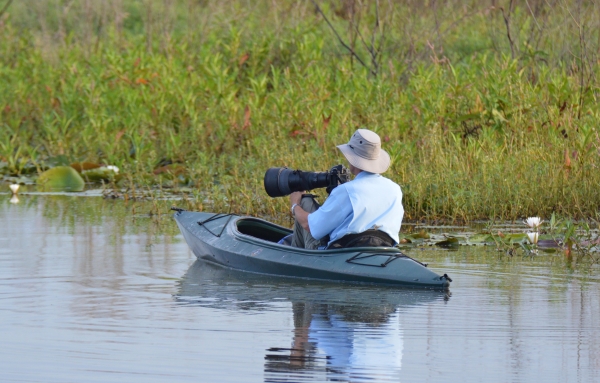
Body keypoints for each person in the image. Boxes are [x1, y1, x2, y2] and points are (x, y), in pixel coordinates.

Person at [289, 128, 404, 249]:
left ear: (353, 159)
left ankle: (292, 257)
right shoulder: (395, 189)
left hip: (342, 256)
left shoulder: (346, 191)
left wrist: (295, 205)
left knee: (305, 202)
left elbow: (311, 226)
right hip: (383, 251)